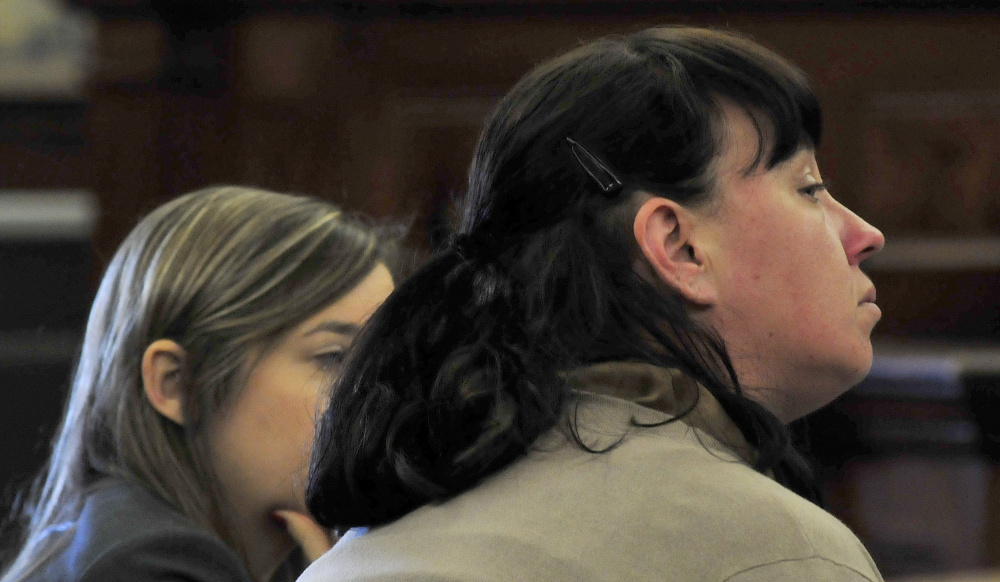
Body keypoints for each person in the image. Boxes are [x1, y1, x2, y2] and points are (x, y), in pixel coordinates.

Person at [302, 26, 886, 582]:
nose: (864, 234)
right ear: (680, 248)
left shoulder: (359, 549)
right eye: (809, 187)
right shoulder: (777, 556)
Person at [0, 186, 396, 582]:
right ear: (177, 384)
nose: (381, 391)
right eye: (333, 357)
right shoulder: (150, 564)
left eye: (385, 360)